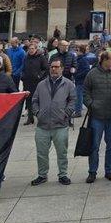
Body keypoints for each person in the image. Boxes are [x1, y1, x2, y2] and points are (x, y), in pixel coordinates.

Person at [30, 57, 75, 186]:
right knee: (41, 153)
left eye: (56, 67)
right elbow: (34, 100)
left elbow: (73, 100)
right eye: (52, 67)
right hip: (43, 125)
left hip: (60, 125)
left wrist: (66, 114)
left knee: (62, 152)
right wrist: (37, 113)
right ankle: (42, 175)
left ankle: (63, 175)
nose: (54, 69)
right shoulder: (41, 84)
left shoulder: (68, 84)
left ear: (62, 69)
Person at [83, 50, 111, 183]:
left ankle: (109, 170)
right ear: (104, 60)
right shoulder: (92, 74)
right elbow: (85, 91)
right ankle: (92, 172)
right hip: (96, 116)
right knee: (94, 145)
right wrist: (91, 104)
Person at [22, 42, 49, 125]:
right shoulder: (26, 57)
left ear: (36, 49)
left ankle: (41, 117)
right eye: (29, 49)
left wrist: (39, 75)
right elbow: (23, 68)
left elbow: (46, 68)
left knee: (39, 100)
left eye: (32, 49)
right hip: (27, 82)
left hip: (38, 82)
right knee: (28, 100)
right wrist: (22, 76)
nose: (31, 50)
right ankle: (30, 118)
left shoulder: (41, 57)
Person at [74, 43, 96, 117]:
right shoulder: (79, 59)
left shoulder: (83, 59)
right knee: (81, 97)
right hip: (79, 81)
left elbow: (87, 70)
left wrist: (77, 75)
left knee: (79, 97)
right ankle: (91, 109)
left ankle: (78, 111)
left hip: (81, 81)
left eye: (77, 50)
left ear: (81, 51)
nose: (76, 51)